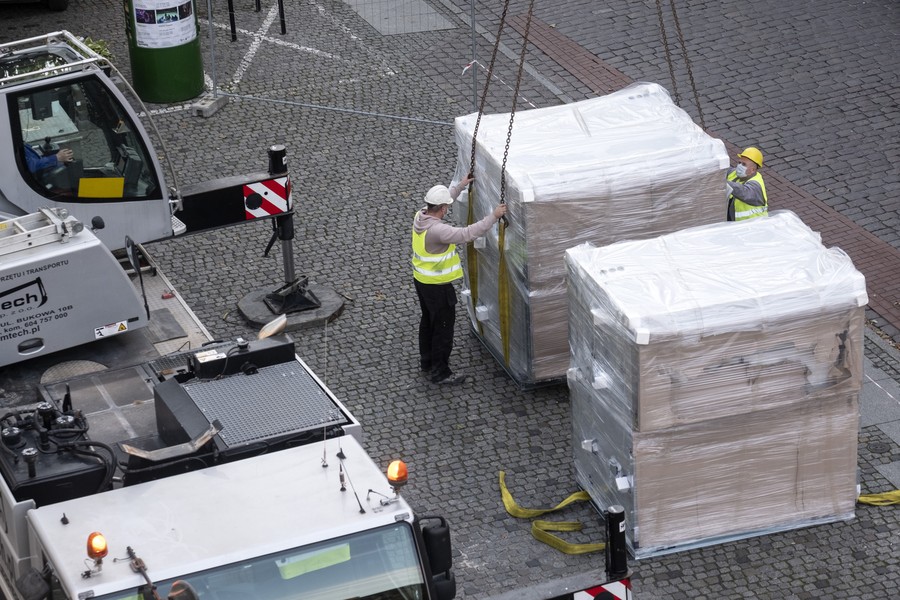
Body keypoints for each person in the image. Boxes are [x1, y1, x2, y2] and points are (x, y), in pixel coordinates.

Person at [412, 176, 507, 385]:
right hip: (437, 287)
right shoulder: (438, 231)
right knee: (443, 329)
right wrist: (494, 216)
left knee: (428, 321)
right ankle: (441, 373)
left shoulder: (421, 215)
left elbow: (445, 198)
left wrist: (460, 185)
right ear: (443, 209)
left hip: (421, 281)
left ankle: (426, 361)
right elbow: (467, 234)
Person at [725, 146, 768, 221]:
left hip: (753, 226)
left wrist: (723, 183)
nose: (739, 166)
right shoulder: (734, 173)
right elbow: (722, 171)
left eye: (744, 164)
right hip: (737, 225)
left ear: (753, 170)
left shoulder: (755, 186)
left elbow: (742, 191)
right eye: (739, 162)